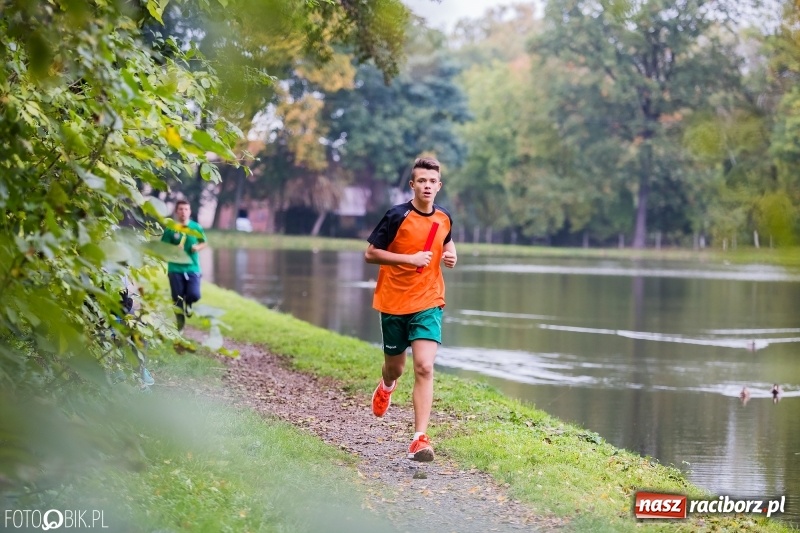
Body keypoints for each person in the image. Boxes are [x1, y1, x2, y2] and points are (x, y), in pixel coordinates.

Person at [364, 157, 457, 462]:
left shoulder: (444, 218)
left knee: (424, 366)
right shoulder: (396, 216)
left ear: (438, 186)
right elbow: (370, 254)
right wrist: (409, 259)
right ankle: (387, 385)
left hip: (428, 300)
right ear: (412, 185)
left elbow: (447, 240)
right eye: (422, 181)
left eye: (432, 182)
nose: (427, 186)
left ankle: (419, 438)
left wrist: (451, 254)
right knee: (396, 367)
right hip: (393, 301)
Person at [161, 200, 207, 331]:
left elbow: (204, 242)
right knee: (177, 299)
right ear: (176, 211)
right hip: (175, 268)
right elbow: (163, 247)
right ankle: (180, 325)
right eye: (181, 209)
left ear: (190, 211)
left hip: (192, 267)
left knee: (194, 294)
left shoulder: (196, 227)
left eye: (186, 209)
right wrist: (174, 249)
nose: (183, 212)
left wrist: (197, 247)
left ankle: (190, 303)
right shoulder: (171, 229)